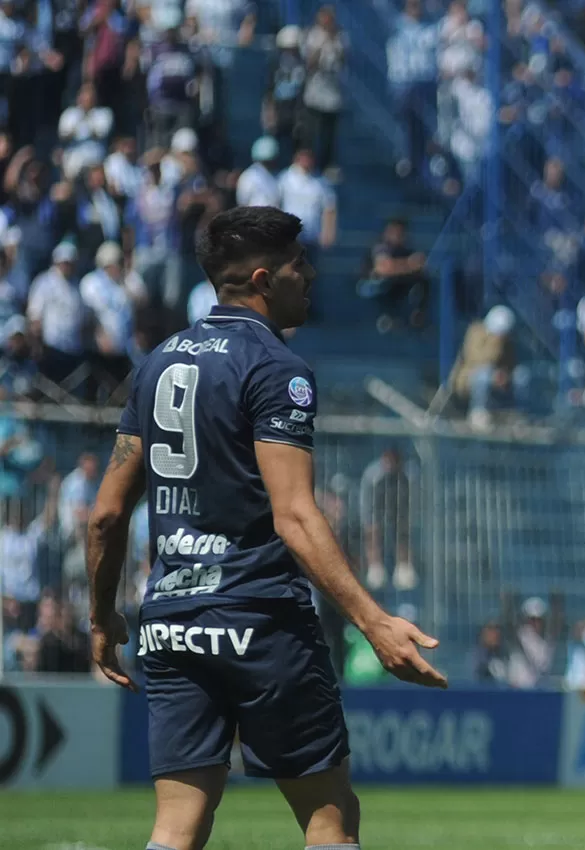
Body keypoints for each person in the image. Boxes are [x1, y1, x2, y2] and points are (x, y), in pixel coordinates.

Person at [85, 206, 447, 850]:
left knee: (176, 827)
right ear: (261, 278)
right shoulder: (277, 368)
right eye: (297, 266)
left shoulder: (156, 365)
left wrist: (100, 616)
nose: (308, 276)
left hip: (172, 619)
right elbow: (296, 515)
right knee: (329, 818)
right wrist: (373, 621)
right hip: (259, 620)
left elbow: (107, 514)